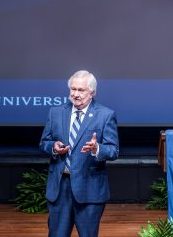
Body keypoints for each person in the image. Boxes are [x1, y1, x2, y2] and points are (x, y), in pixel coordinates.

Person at [39, 70, 119, 237]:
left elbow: (113, 151)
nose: (75, 94)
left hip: (89, 190)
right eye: (72, 89)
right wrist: (54, 147)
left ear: (92, 92)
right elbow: (43, 143)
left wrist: (97, 148)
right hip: (60, 189)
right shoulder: (56, 112)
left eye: (80, 90)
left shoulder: (105, 115)